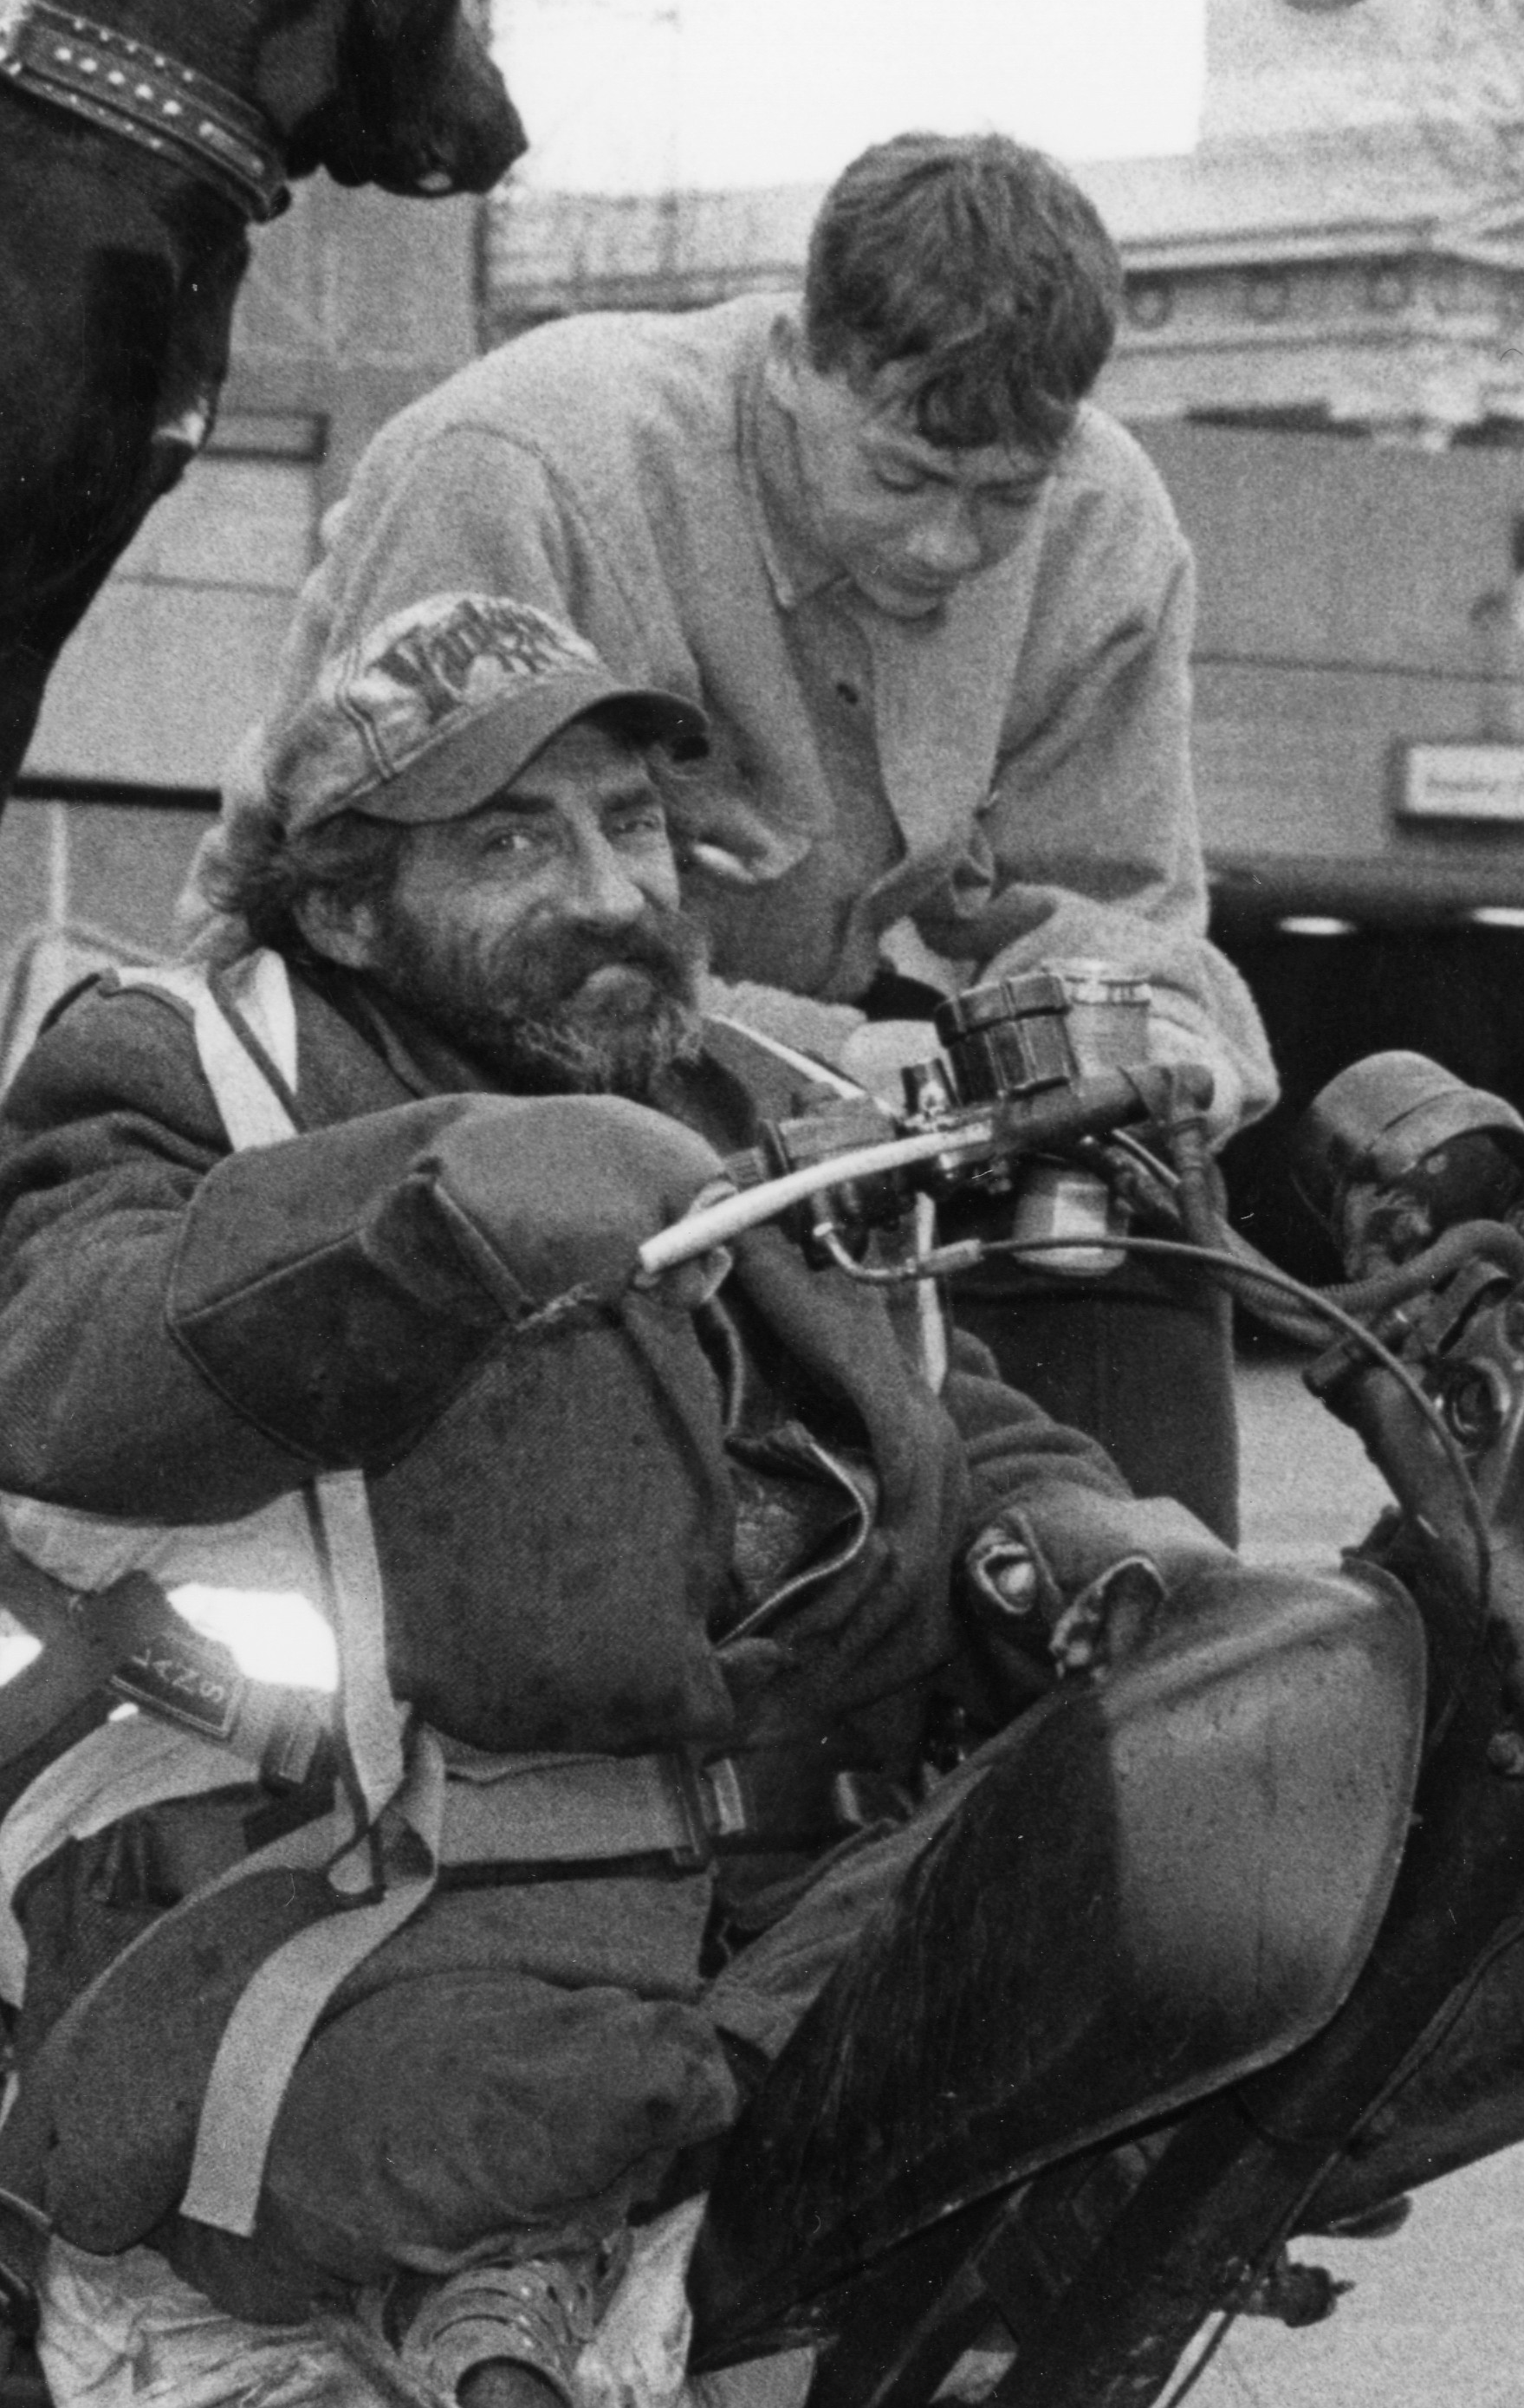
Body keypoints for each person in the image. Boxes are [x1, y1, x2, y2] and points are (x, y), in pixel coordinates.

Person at [0, 592, 1394, 2408]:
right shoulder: (177, 1073)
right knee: (580, 2105)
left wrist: (1094, 1543)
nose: (614, 890)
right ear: (349, 900)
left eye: (631, 825)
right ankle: (584, 2245)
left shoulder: (728, 1092)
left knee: (1301, 1848)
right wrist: (420, 1209)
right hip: (347, 1910)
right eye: (516, 841)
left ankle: (694, 2242)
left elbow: (933, 1407)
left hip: (760, 1892)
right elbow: (69, 1368)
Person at [284, 136, 1274, 1529]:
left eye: (1005, 496)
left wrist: (1153, 1046)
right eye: (908, 476)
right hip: (431, 1050)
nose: (948, 546)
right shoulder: (527, 467)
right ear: (799, 358)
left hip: (795, 1083)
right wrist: (813, 1062)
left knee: (1128, 1182)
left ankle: (1160, 1641)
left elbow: (1104, 902)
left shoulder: (1109, 527)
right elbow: (416, 922)